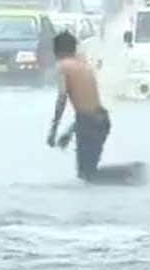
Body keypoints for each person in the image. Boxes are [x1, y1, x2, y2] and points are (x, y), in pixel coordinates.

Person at [46, 31, 111, 181]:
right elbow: (88, 107)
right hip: (101, 120)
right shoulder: (84, 66)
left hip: (88, 123)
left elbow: (62, 99)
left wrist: (53, 131)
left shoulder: (63, 67)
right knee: (89, 172)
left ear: (57, 51)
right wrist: (70, 132)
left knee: (86, 175)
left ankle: (123, 178)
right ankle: (125, 177)